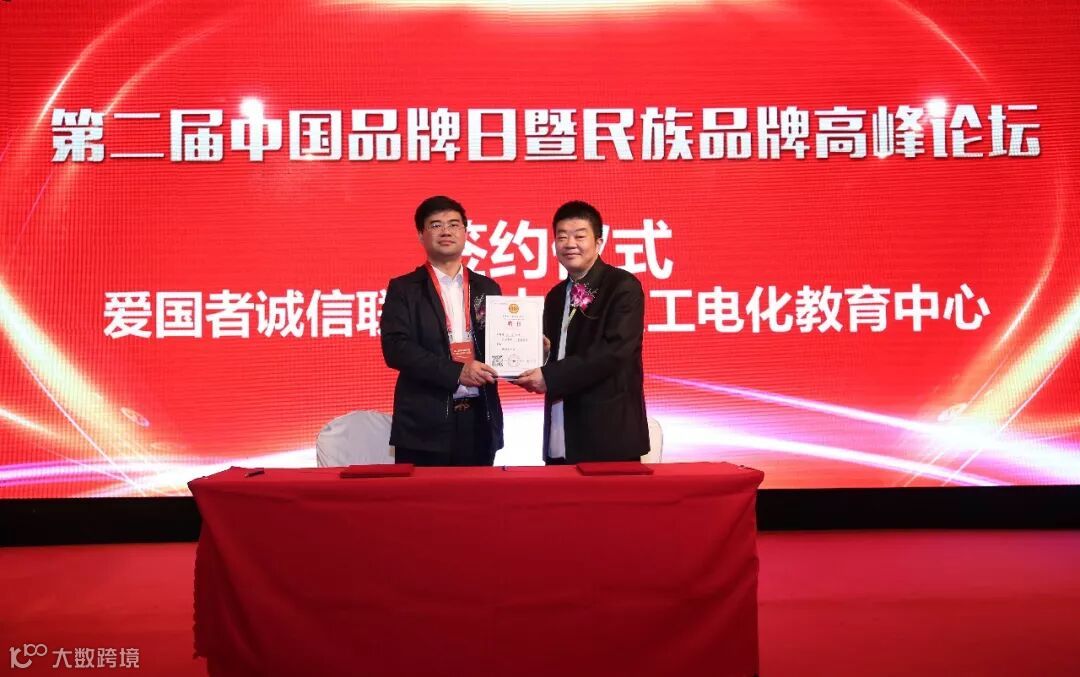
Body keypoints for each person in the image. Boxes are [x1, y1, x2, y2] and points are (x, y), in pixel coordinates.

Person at [513, 200, 649, 463]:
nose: (569, 243)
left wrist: (549, 376)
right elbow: (557, 353)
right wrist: (537, 356)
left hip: (608, 435)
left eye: (579, 236)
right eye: (562, 236)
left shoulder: (622, 286)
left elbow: (614, 351)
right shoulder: (555, 296)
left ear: (599, 242)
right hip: (560, 427)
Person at [380, 196, 504, 466]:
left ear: (465, 233)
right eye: (436, 225)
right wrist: (456, 372)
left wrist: (529, 349)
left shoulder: (487, 288)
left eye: (454, 224)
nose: (446, 231)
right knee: (423, 495)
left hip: (480, 421)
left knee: (478, 493)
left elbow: (500, 344)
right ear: (421, 235)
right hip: (424, 425)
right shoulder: (404, 289)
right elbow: (396, 348)